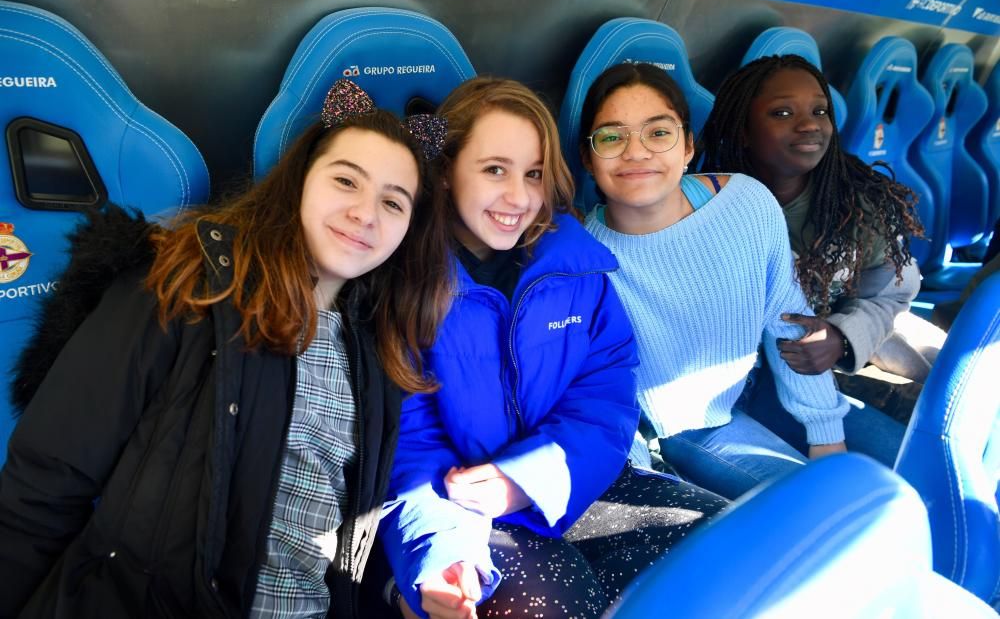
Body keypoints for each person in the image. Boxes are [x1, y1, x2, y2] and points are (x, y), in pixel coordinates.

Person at [0, 79, 451, 618]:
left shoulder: (380, 347)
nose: (365, 213)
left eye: (392, 202)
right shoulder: (186, 286)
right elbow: (44, 485)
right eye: (345, 180)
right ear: (300, 182)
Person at [379, 77, 727, 619]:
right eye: (495, 169)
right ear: (446, 172)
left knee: (719, 543)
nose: (519, 197)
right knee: (554, 600)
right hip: (452, 509)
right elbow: (409, 445)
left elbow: (605, 397)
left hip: (564, 479)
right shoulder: (405, 283)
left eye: (534, 174)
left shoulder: (576, 269)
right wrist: (444, 554)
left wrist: (526, 480)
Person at [579, 62, 903, 501]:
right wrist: (646, 485)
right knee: (828, 508)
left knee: (910, 468)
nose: (637, 152)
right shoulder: (584, 260)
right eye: (612, 137)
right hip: (688, 428)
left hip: (760, 386)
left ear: (689, 147)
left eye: (658, 133)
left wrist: (826, 434)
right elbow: (602, 396)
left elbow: (791, 324)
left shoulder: (745, 201)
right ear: (587, 156)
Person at [699, 54, 945, 402]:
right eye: (783, 113)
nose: (810, 125)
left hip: (862, 341)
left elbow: (891, 295)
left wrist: (840, 337)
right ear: (743, 129)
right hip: (763, 377)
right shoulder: (706, 211)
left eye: (820, 111)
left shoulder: (858, 201)